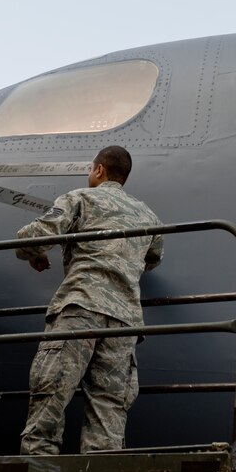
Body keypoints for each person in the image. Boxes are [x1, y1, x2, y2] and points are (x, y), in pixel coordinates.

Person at [15, 145, 163, 455]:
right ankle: (100, 471)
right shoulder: (148, 215)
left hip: (80, 306)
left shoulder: (80, 198)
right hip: (124, 321)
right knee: (109, 402)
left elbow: (35, 236)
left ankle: (38, 465)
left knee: (52, 388)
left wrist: (34, 254)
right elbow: (153, 258)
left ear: (98, 170)